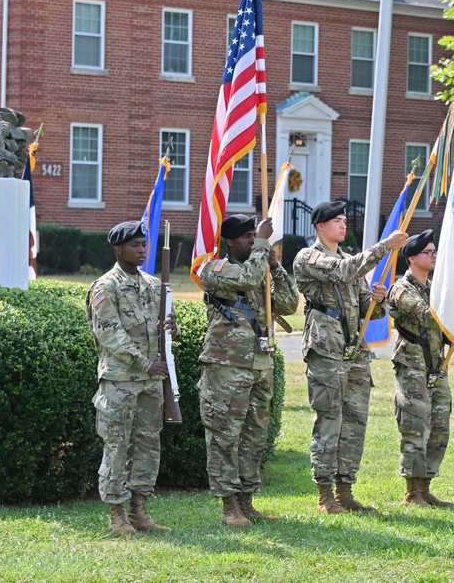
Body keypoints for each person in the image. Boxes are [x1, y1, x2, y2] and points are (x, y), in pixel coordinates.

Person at [292, 200, 408, 513]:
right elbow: (343, 272)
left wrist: (378, 300)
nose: (343, 225)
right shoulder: (309, 256)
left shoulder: (350, 259)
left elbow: (366, 304)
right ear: (320, 226)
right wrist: (384, 246)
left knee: (355, 421)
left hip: (354, 347)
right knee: (329, 418)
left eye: (345, 220)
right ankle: (325, 494)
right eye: (337, 221)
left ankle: (345, 490)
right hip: (326, 346)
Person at [197, 214, 299, 527]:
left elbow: (290, 303)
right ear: (230, 241)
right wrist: (263, 247)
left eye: (256, 235)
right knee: (225, 436)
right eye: (248, 237)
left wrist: (275, 265)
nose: (253, 240)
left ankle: (246, 501)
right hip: (227, 366)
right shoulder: (215, 269)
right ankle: (229, 507)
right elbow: (245, 280)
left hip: (259, 364)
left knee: (254, 437)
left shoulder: (258, 267)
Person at [87, 220, 178, 535]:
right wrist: (145, 363)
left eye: (144, 244)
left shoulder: (154, 285)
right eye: (134, 245)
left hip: (151, 383)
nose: (141, 250)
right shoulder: (105, 287)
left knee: (147, 445)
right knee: (117, 445)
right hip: (121, 381)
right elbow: (111, 335)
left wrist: (172, 330)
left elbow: (162, 327)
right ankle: (117, 514)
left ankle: (139, 511)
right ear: (118, 249)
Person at [388, 229, 453, 508]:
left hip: (436, 365)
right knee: (415, 426)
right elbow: (429, 317)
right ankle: (412, 492)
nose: (434, 256)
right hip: (413, 365)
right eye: (429, 252)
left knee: (440, 426)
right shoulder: (402, 289)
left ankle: (426, 487)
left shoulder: (433, 288)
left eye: (435, 251)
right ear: (412, 257)